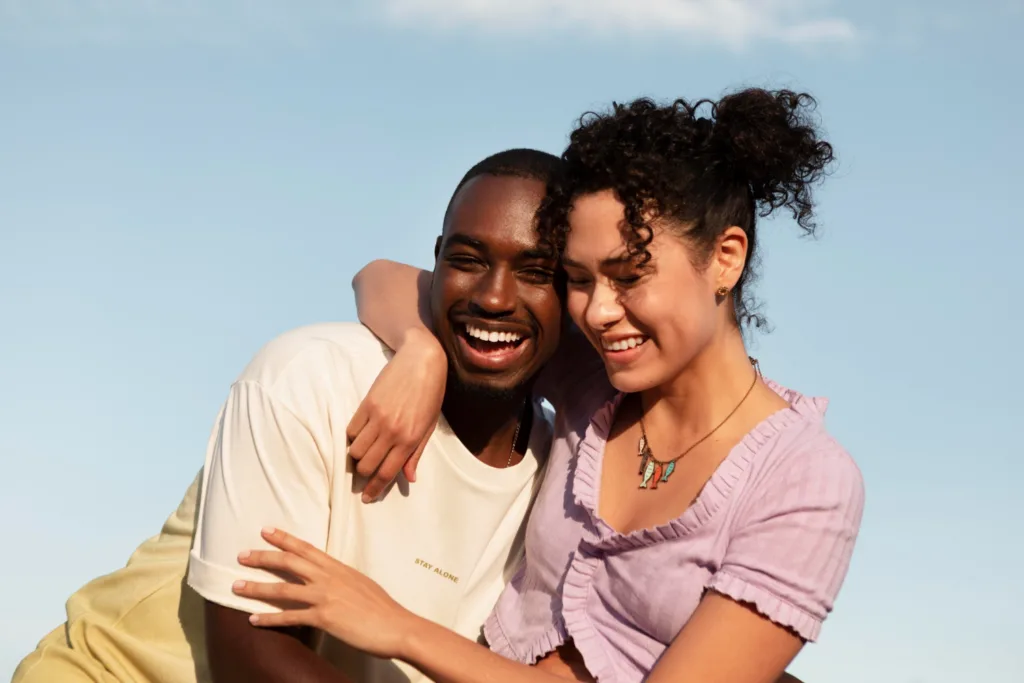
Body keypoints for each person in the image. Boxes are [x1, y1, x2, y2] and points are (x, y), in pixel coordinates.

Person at [230, 88, 864, 683]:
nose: (598, 312)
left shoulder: (806, 484)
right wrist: (421, 352)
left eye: (628, 274)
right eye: (580, 279)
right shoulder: (600, 384)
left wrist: (401, 630)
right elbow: (386, 277)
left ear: (725, 257)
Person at [12, 148, 566, 683]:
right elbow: (251, 657)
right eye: (467, 261)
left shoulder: (564, 478)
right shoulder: (312, 376)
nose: (495, 298)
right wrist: (421, 351)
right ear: (437, 260)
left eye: (537, 272)